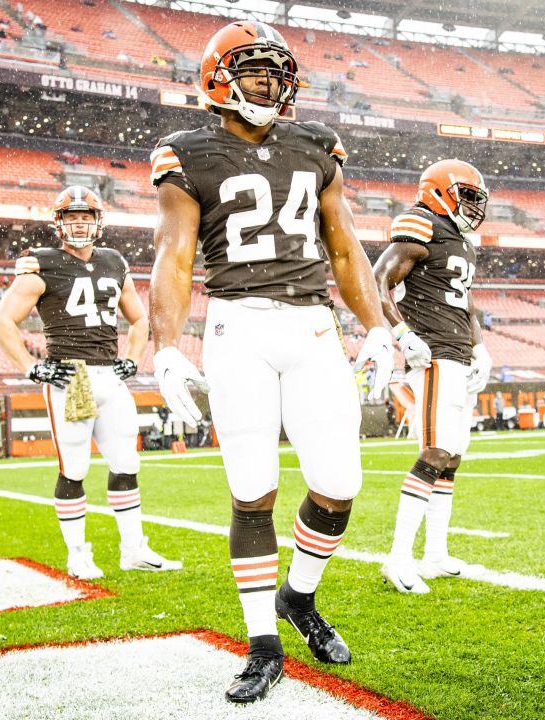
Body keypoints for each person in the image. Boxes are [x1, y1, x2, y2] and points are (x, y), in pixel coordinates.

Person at [147, 20, 394, 704]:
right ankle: (262, 644)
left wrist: (375, 326)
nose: (266, 79)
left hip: (314, 325)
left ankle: (299, 597)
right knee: (253, 488)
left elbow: (344, 247)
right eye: (251, 67)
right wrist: (163, 347)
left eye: (274, 69)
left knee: (339, 484)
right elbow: (174, 254)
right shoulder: (185, 152)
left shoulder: (316, 146)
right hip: (239, 326)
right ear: (217, 77)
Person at [0, 185, 182, 582]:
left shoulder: (114, 261)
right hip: (71, 375)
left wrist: (131, 358)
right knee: (74, 469)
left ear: (98, 224)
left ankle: (133, 549)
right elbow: (1, 321)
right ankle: (77, 553)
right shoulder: (41, 263)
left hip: (110, 374)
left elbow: (140, 319)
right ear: (58, 224)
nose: (79, 225)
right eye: (71, 218)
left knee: (127, 463)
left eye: (86, 218)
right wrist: (31, 366)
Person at [370, 159, 492, 595]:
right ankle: (398, 557)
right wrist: (401, 334)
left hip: (459, 356)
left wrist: (480, 347)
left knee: (452, 458)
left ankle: (435, 554)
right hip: (434, 355)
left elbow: (466, 303)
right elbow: (376, 279)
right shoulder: (421, 224)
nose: (475, 207)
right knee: (435, 452)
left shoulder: (461, 241)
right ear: (440, 191)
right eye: (469, 196)